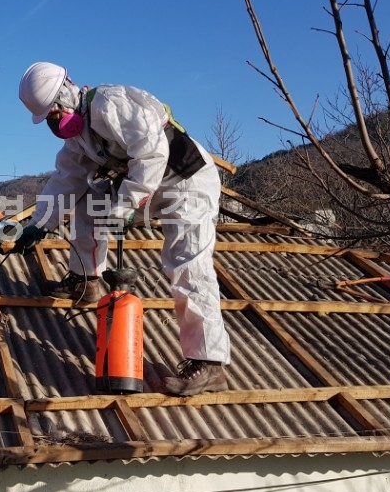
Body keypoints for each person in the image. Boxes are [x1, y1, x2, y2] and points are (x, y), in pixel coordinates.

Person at [15, 61, 230, 396]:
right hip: (153, 187)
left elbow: (152, 155)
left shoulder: (112, 104)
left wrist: (125, 206)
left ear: (67, 94)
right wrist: (40, 223)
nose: (55, 124)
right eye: (49, 120)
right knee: (90, 198)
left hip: (187, 183)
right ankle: (86, 280)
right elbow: (66, 180)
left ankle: (209, 362)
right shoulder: (80, 139)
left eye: (55, 114)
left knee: (187, 263)